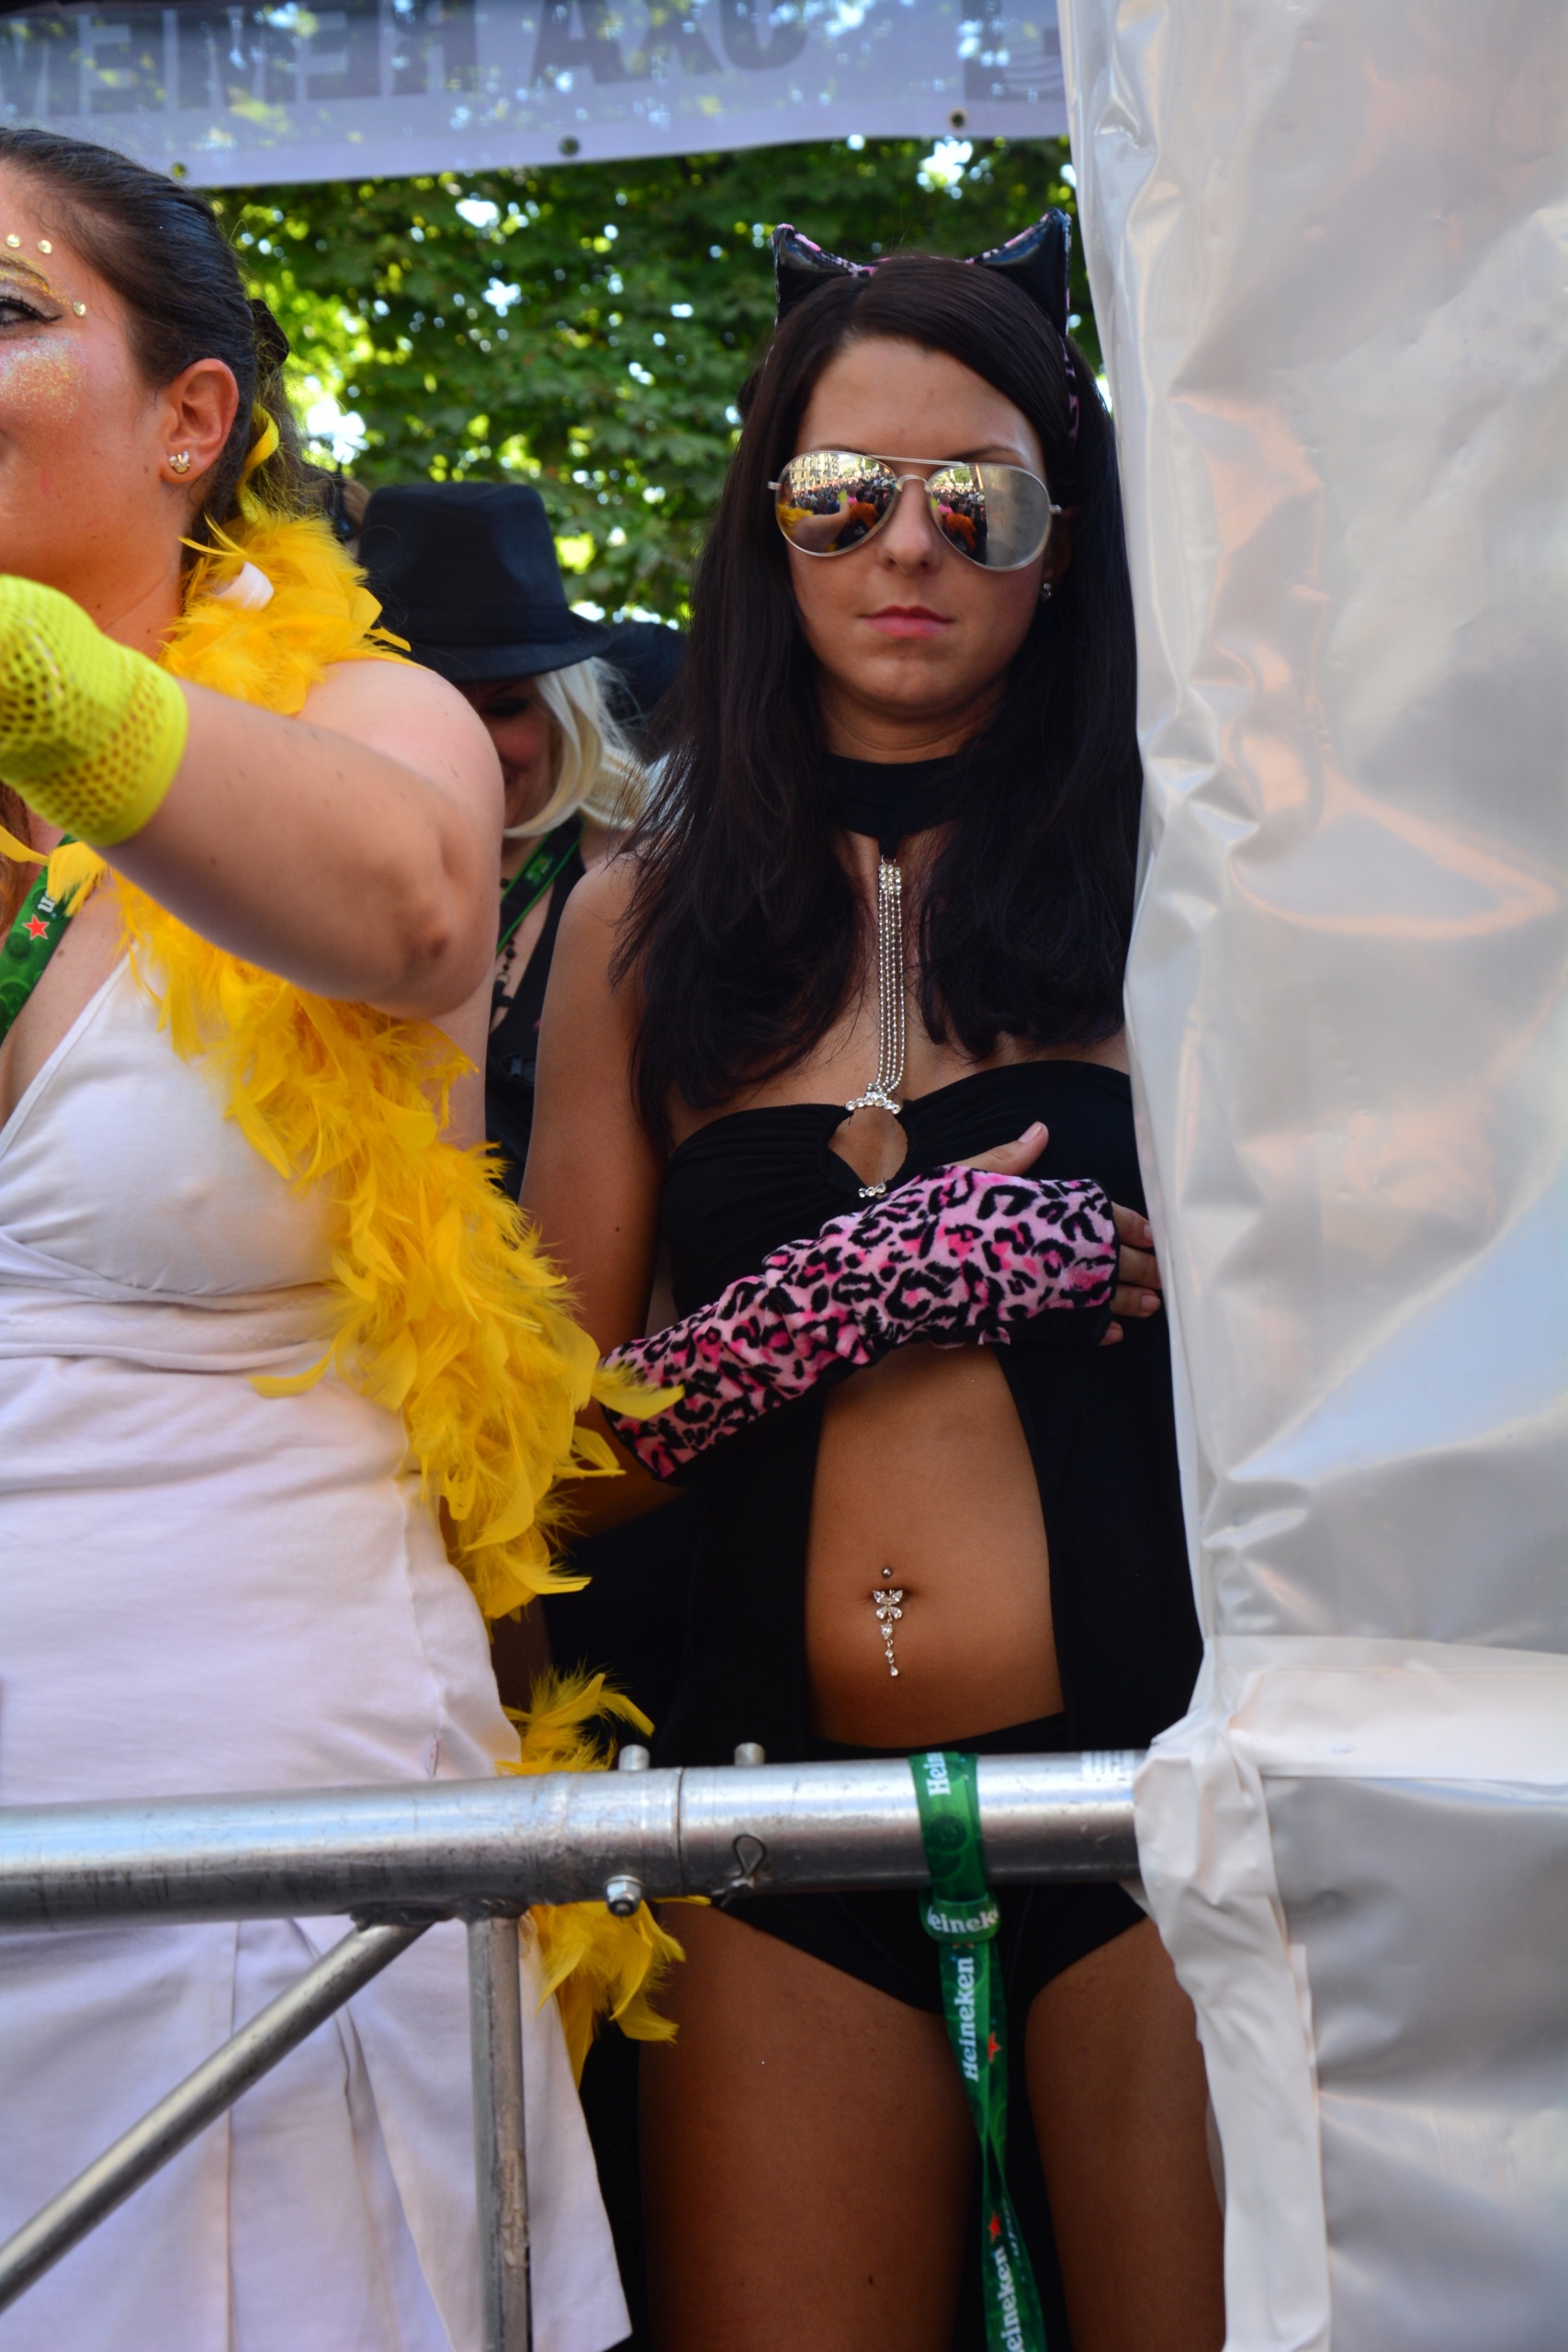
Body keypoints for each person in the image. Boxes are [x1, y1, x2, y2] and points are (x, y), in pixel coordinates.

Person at [523, 216, 1224, 2351]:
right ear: (765, 526)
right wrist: (837, 1294)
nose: (903, 545)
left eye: (973, 496)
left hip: (1160, 1804)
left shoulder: (1194, 882)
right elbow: (544, 1466)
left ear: (1061, 539)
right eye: (839, 493)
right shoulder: (631, 922)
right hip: (775, 1820)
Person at [0, 129, 644, 2352]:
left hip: (258, 1846)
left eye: (3, 311)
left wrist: (33, 678)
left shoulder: (368, 715)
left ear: (193, 416)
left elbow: (412, 907)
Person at [359, 481, 651, 1202]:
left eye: (506, 707)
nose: (464, 746)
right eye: (427, 701)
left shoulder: (639, 888)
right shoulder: (289, 880)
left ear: (559, 714)